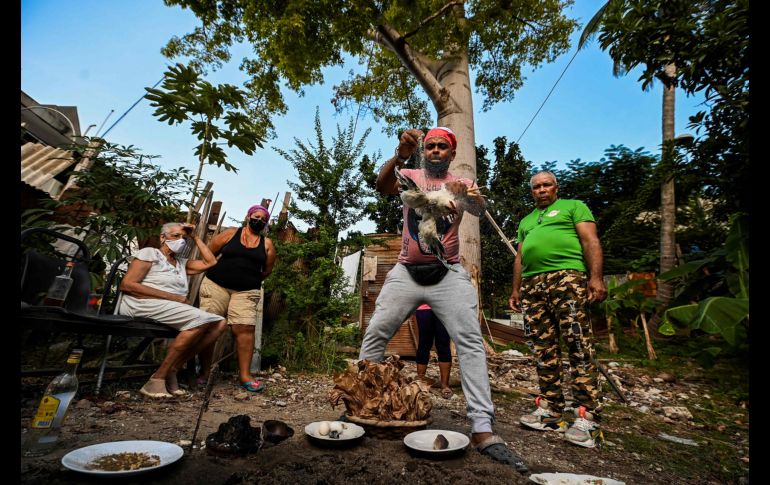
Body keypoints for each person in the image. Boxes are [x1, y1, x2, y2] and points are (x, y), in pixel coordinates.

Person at [359, 126, 528, 473]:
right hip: (406, 272)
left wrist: (466, 195)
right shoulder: (409, 174)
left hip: (447, 272)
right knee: (375, 331)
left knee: (470, 342)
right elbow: (382, 186)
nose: (435, 150)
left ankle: (483, 429)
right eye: (430, 145)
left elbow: (479, 211)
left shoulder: (462, 182)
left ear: (451, 153)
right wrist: (400, 154)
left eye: (442, 147)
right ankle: (363, 408)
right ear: (424, 151)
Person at [509, 170, 608, 448]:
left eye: (546, 185)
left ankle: (587, 417)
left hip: (567, 279)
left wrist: (596, 277)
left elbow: (590, 241)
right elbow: (520, 257)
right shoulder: (526, 221)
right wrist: (516, 289)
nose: (541, 190)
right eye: (536, 187)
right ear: (531, 191)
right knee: (543, 348)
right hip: (532, 284)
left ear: (555, 187)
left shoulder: (573, 207)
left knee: (578, 344)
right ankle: (552, 411)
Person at [119, 222, 227, 399]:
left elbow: (211, 261)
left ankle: (172, 368)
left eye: (183, 238)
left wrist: (196, 236)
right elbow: (127, 285)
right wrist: (174, 298)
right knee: (200, 321)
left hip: (169, 307)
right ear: (163, 237)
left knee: (220, 323)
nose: (181, 241)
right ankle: (157, 379)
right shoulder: (150, 253)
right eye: (176, 236)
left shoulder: (181, 263)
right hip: (140, 303)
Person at [198, 204, 276, 393]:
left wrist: (247, 279)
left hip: (246, 291)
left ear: (265, 223)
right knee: (209, 325)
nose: (259, 220)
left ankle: (245, 376)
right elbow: (209, 254)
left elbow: (267, 270)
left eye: (263, 219)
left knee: (245, 328)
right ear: (248, 217)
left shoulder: (266, 244)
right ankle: (205, 372)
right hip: (216, 285)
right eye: (255, 216)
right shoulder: (230, 233)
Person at [414, 304, 453, 399]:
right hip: (423, 308)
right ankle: (420, 382)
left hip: (444, 307)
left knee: (443, 343)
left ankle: (445, 385)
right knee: (424, 343)